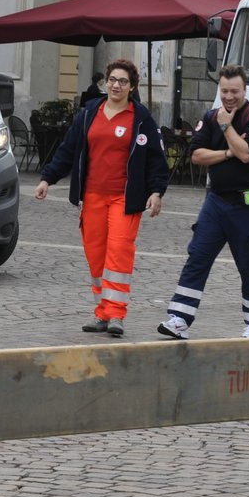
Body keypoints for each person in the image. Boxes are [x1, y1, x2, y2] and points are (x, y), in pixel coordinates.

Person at [34, 58, 167, 339]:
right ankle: (103, 312)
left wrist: (156, 192)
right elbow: (68, 149)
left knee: (118, 253)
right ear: (105, 82)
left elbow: (156, 160)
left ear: (132, 87)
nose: (116, 85)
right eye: (112, 80)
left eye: (123, 81)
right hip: (92, 197)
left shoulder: (141, 118)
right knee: (96, 255)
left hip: (124, 199)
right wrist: (47, 178)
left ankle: (116, 314)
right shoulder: (89, 113)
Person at [158, 64, 249, 340]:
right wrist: (226, 151)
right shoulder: (210, 117)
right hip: (215, 203)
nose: (229, 96)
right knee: (197, 256)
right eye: (224, 91)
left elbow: (247, 154)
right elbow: (197, 156)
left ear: (245, 90)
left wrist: (226, 127)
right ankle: (179, 319)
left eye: (234, 91)